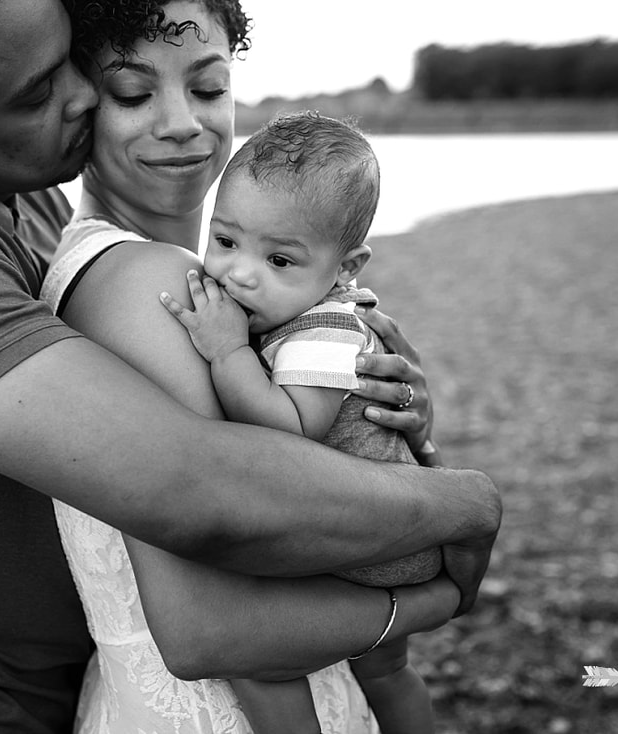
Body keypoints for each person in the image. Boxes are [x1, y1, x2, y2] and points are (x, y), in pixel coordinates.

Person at [0, 1, 499, 732]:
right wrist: (462, 513)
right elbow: (201, 503)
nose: (81, 98)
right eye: (118, 90)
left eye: (210, 88)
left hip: (57, 696)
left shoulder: (30, 208)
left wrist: (360, 396)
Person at [38, 3, 496, 732]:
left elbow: (295, 471)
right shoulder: (142, 281)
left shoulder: (224, 290)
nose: (183, 121)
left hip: (300, 668)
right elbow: (209, 624)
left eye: (210, 88)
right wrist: (442, 584)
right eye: (133, 93)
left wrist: (376, 415)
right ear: (80, 102)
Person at [160, 112, 438, 733]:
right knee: (387, 672)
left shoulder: (326, 334)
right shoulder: (294, 310)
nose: (239, 272)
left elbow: (290, 433)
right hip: (374, 526)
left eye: (280, 259)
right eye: (225, 241)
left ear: (346, 267)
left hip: (373, 546)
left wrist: (228, 352)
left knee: (262, 664)